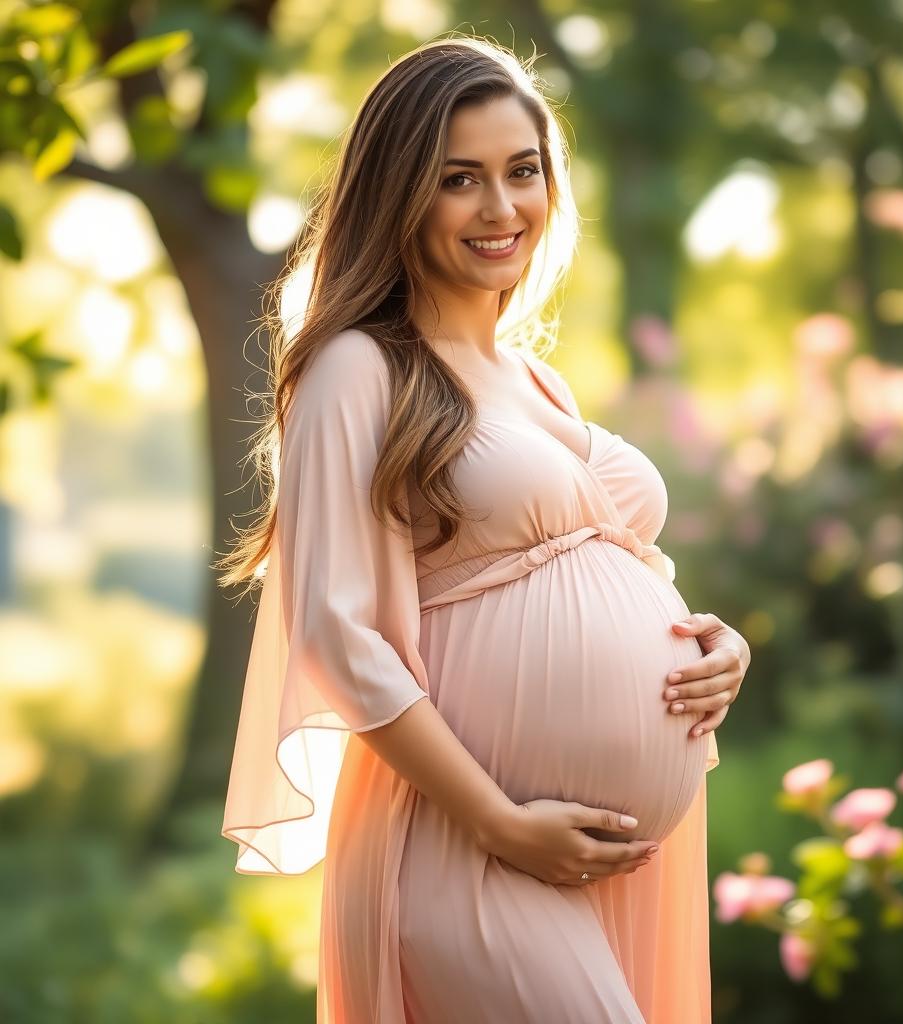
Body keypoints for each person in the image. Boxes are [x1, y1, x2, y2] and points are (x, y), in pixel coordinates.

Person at [217, 35, 750, 1023]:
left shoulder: (533, 376)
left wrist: (717, 643)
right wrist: (501, 821)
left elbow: (610, 562)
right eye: (459, 179)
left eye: (523, 171)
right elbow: (335, 632)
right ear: (398, 193)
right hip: (464, 842)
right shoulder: (355, 369)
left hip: (604, 847)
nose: (501, 209)